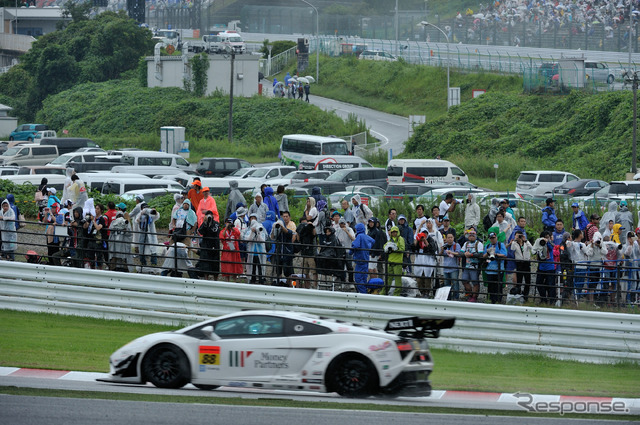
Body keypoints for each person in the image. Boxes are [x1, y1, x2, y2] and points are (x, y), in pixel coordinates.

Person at [190, 210, 220, 280]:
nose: (209, 216)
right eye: (207, 215)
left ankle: (215, 280)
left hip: (214, 245)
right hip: (206, 245)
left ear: (213, 216)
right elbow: (200, 231)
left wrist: (210, 224)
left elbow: (215, 232)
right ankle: (206, 279)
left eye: (210, 215)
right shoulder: (204, 223)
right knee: (206, 263)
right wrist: (205, 223)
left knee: (215, 264)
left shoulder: (216, 224)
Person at [270, 211, 297, 282]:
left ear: (289, 217)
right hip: (279, 252)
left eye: (286, 216)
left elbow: (289, 233)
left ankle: (290, 285)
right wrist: (274, 228)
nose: (285, 218)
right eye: (283, 217)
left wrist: (282, 227)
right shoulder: (278, 229)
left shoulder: (291, 225)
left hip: (287, 252)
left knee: (288, 271)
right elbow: (272, 237)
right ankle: (279, 283)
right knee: (278, 270)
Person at [458, 229, 483, 302]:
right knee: (464, 280)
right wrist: (464, 254)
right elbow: (461, 252)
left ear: (475, 236)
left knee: (475, 282)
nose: (471, 237)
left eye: (473, 236)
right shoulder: (466, 243)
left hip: (475, 266)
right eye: (470, 236)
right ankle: (470, 293)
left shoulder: (479, 244)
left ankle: (474, 296)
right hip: (466, 266)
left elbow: (480, 254)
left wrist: (471, 255)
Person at [531, 231, 556, 305]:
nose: (545, 238)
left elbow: (552, 248)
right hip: (541, 267)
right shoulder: (538, 242)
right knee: (539, 283)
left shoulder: (550, 243)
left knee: (551, 285)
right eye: (544, 237)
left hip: (550, 267)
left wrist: (547, 241)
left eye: (547, 237)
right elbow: (534, 251)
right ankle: (543, 299)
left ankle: (552, 301)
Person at [483, 231, 507, 304]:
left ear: (496, 238)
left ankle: (499, 300)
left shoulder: (501, 245)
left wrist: (495, 254)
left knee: (498, 285)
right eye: (491, 238)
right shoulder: (487, 246)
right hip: (489, 269)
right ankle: (492, 300)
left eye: (494, 238)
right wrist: (488, 253)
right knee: (491, 286)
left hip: (499, 269)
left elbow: (505, 255)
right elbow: (483, 256)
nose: (492, 239)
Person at [351, 223, 375, 294]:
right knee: (364, 278)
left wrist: (351, 251)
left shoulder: (359, 236)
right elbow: (373, 241)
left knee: (358, 279)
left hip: (359, 260)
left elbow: (355, 245)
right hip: (366, 259)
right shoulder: (366, 236)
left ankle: (363, 293)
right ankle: (365, 294)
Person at [510, 230, 533, 301]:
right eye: (517, 235)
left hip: (526, 262)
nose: (519, 237)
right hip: (519, 263)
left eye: (520, 235)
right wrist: (515, 240)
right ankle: (518, 293)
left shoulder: (526, 243)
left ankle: (526, 295)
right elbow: (512, 249)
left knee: (527, 281)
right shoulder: (515, 243)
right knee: (519, 280)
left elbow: (531, 248)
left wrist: (525, 240)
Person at [243, 217, 268, 284]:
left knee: (261, 267)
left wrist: (258, 233)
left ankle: (261, 279)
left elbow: (262, 240)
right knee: (252, 267)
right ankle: (252, 279)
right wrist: (252, 232)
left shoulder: (261, 230)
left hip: (260, 252)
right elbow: (248, 239)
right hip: (252, 252)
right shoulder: (248, 231)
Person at [382, 226, 405, 296]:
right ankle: (383, 292)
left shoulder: (400, 239)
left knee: (398, 279)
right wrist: (387, 248)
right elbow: (385, 246)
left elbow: (402, 248)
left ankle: (396, 294)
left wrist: (395, 249)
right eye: (393, 232)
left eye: (395, 232)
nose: (394, 233)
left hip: (397, 262)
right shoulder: (391, 240)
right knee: (388, 279)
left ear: (398, 232)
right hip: (390, 262)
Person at [136, 203, 160, 271]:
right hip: (143, 234)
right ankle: (143, 262)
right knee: (142, 248)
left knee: (153, 248)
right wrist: (141, 214)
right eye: (144, 208)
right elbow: (137, 221)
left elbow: (157, 216)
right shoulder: (140, 214)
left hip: (151, 234)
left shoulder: (151, 215)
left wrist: (154, 212)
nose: (146, 209)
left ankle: (154, 263)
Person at [441, 233, 461, 299]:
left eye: (451, 237)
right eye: (448, 237)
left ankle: (456, 297)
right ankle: (447, 297)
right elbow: (440, 254)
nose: (450, 239)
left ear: (453, 238)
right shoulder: (444, 246)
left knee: (455, 283)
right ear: (446, 239)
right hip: (445, 268)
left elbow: (458, 253)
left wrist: (451, 252)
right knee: (446, 284)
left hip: (454, 268)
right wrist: (442, 249)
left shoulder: (456, 245)